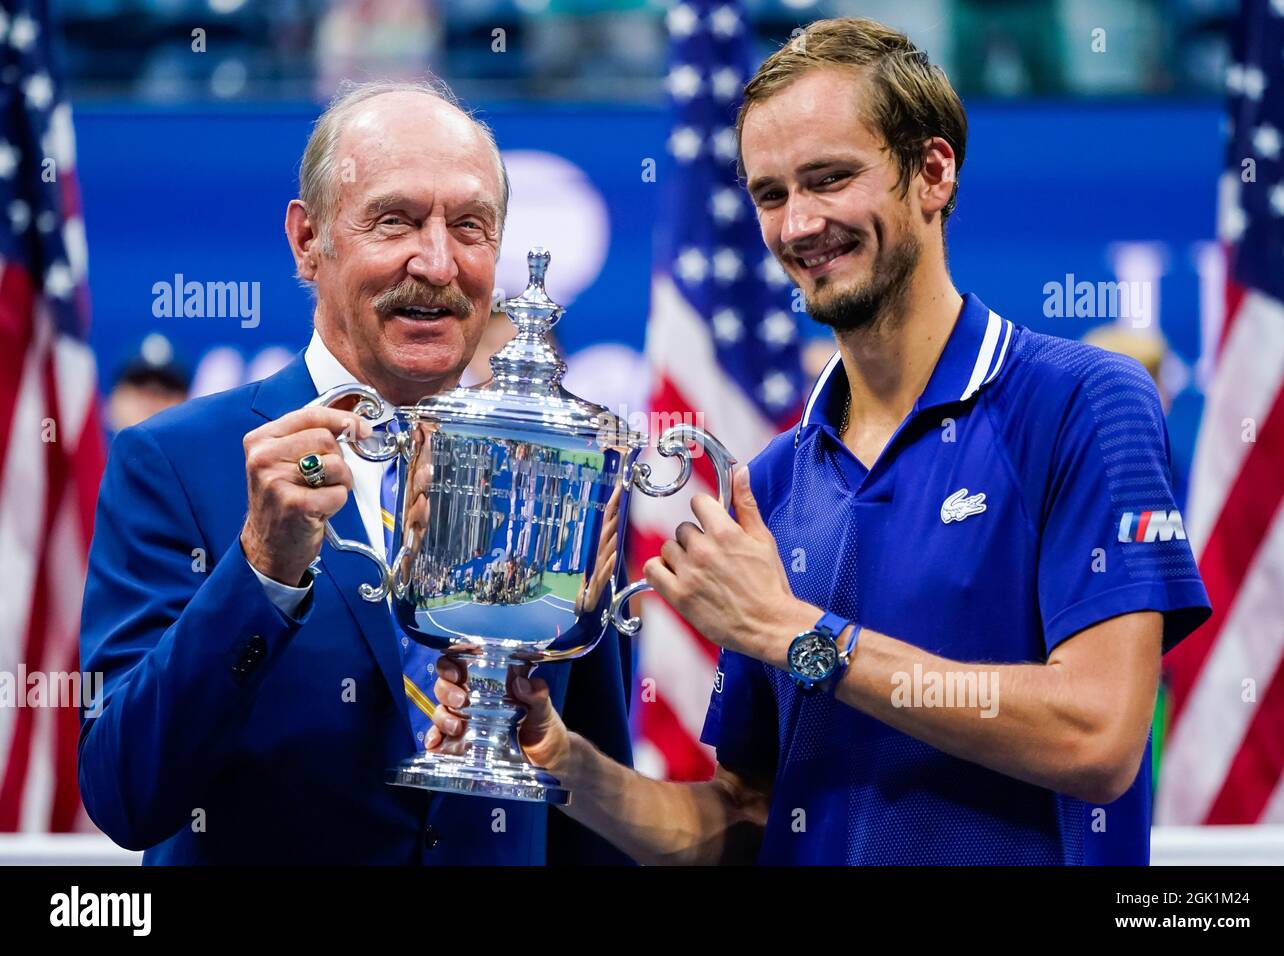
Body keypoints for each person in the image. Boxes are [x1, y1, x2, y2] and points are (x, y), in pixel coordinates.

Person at [428, 18, 1211, 865]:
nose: (799, 224)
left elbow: (1097, 738)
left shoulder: (1085, 403)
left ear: (934, 173)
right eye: (771, 194)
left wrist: (805, 637)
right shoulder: (769, 484)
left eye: (830, 179)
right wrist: (564, 761)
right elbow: (745, 819)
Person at [78, 79, 633, 864]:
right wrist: (263, 571)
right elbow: (124, 794)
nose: (437, 262)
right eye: (395, 221)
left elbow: (593, 815)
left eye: (470, 226)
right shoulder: (172, 463)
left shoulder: (558, 470)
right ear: (309, 240)